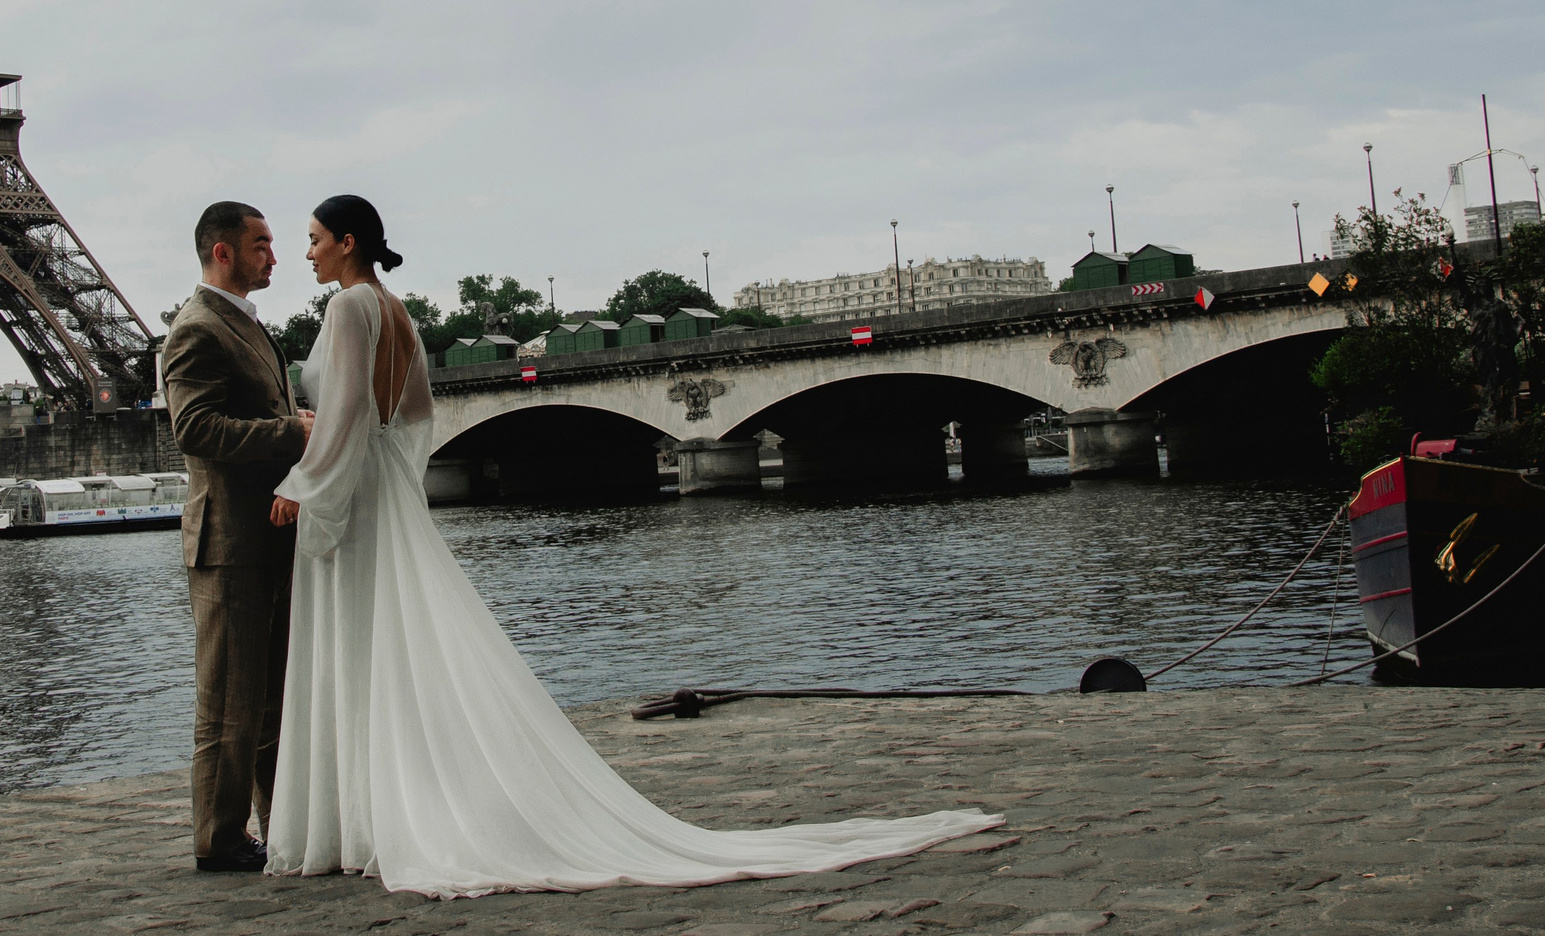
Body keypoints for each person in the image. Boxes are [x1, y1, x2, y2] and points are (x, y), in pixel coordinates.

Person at [265, 195, 998, 897]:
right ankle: (393, 813)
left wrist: (307, 477)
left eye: (313, 239)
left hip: (359, 493)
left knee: (362, 651)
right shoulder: (399, 312)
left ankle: (361, 820)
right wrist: (391, 463)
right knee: (402, 648)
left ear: (348, 242)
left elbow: (351, 408)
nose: (307, 252)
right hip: (387, 487)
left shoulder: (349, 306)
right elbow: (414, 412)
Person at [159, 201, 314, 873]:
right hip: (229, 543)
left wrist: (292, 422)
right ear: (223, 252)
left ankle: (277, 826)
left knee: (271, 699)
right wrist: (292, 431)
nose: (274, 255)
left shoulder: (244, 325)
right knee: (229, 702)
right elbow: (193, 430)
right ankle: (219, 840)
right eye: (262, 244)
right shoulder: (197, 329)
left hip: (265, 536)